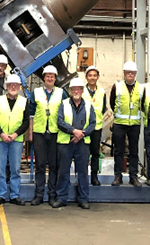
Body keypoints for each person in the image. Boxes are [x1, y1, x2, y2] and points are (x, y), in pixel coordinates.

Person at [28, 65, 67, 206]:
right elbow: (31, 114)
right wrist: (31, 133)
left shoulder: (62, 93)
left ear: (55, 78)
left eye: (52, 76)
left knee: (53, 165)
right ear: (43, 78)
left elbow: (65, 113)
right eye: (47, 76)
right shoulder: (36, 92)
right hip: (39, 133)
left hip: (55, 133)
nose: (50, 78)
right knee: (40, 164)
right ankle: (38, 194)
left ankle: (52, 194)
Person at [56, 77, 96, 209]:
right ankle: (61, 198)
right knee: (63, 171)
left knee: (83, 172)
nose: (76, 91)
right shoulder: (64, 104)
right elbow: (60, 122)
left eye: (79, 89)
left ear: (82, 90)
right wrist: (74, 131)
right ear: (70, 90)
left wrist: (81, 134)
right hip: (65, 143)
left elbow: (92, 124)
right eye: (74, 89)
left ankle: (83, 199)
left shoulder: (89, 106)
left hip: (82, 144)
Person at [0, 74, 28, 206]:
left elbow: (26, 122)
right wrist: (2, 134)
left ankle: (14, 195)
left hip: (16, 140)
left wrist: (15, 134)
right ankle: (1, 195)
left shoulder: (24, 101)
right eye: (11, 85)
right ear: (6, 86)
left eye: (15, 85)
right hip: (0, 140)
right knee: (0, 169)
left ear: (19, 87)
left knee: (15, 169)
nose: (13, 87)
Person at [109, 61, 143, 187]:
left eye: (133, 72)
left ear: (135, 74)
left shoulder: (141, 88)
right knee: (118, 150)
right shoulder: (116, 86)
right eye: (128, 72)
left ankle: (133, 176)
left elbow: (143, 104)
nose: (130, 74)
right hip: (119, 123)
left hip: (134, 124)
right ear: (124, 73)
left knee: (134, 151)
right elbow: (112, 102)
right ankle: (118, 176)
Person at [82, 65, 106, 187]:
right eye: (90, 75)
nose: (92, 78)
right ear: (86, 77)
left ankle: (94, 176)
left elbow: (104, 108)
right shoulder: (81, 91)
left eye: (94, 75)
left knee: (95, 152)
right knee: (84, 152)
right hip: (84, 128)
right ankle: (83, 176)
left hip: (96, 127)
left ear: (97, 77)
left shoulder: (102, 92)